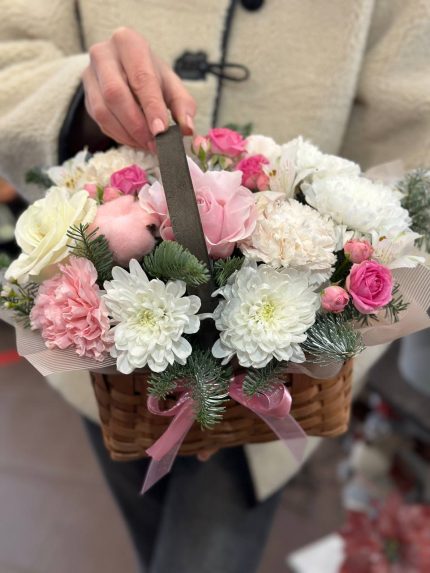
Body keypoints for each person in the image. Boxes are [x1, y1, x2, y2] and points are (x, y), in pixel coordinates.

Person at [0, 1, 429, 572]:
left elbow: (414, 130)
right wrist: (79, 104)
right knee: (149, 535)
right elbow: (11, 54)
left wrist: (338, 298)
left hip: (282, 378)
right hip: (106, 367)